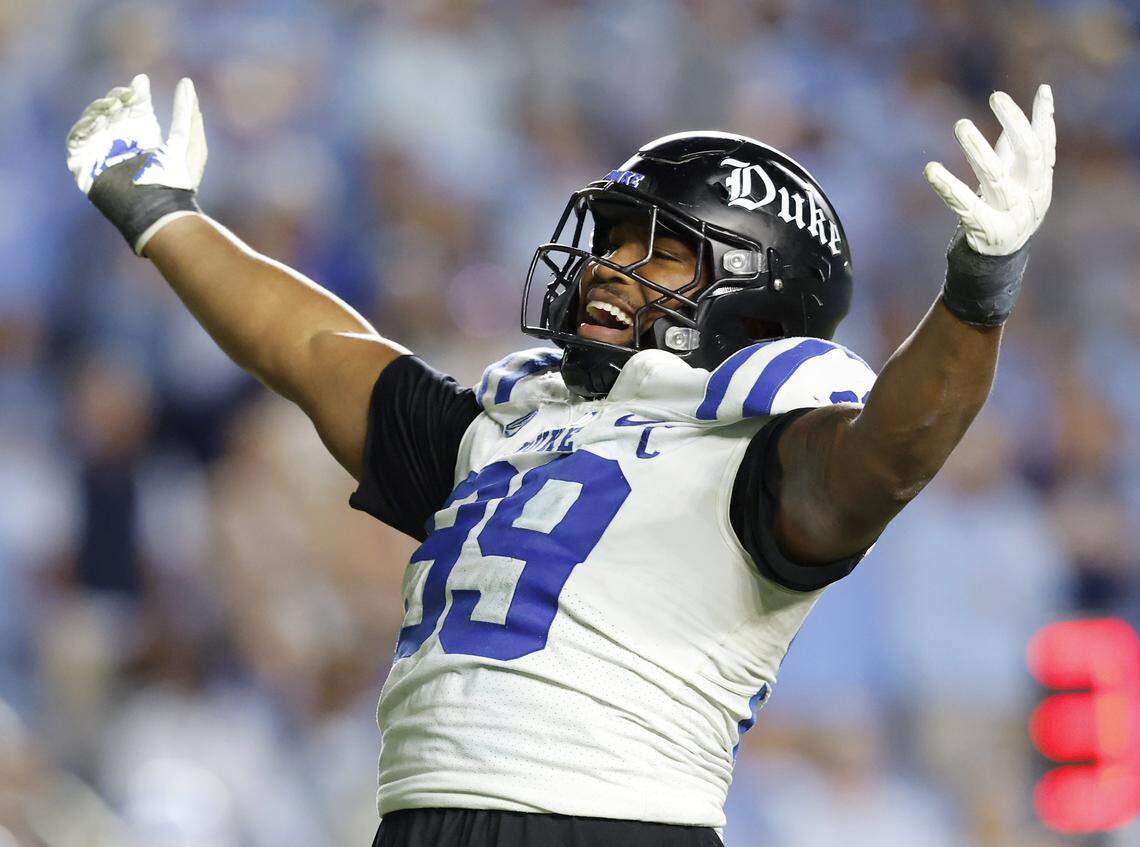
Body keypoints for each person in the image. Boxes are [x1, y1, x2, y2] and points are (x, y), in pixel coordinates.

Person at [66, 74, 1055, 847]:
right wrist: (164, 216)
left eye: (659, 251)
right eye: (612, 241)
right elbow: (317, 350)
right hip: (420, 817)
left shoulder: (759, 453)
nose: (606, 268)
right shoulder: (506, 427)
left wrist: (977, 288)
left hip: (611, 820)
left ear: (755, 293)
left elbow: (891, 452)